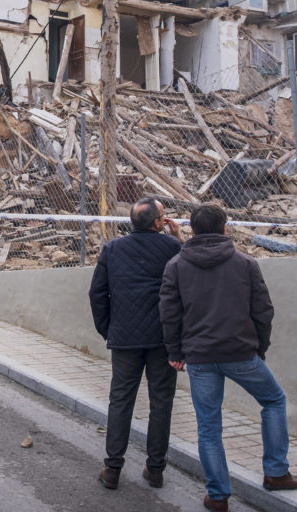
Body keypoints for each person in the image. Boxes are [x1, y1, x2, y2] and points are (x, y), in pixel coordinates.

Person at [159, 204, 297, 512]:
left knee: (208, 426)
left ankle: (218, 495)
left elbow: (169, 314)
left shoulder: (176, 265)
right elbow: (263, 310)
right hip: (240, 353)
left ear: (194, 230)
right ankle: (276, 472)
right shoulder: (245, 264)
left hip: (199, 357)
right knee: (274, 401)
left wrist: (175, 351)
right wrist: (258, 349)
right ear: (225, 229)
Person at [87, 196, 182, 491]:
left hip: (125, 338)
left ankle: (113, 468)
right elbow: (189, 281)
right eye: (163, 216)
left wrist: (108, 330)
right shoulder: (173, 248)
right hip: (162, 339)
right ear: (157, 223)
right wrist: (179, 238)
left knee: (121, 401)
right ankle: (155, 470)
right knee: (162, 401)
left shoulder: (112, 249)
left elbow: (96, 294)